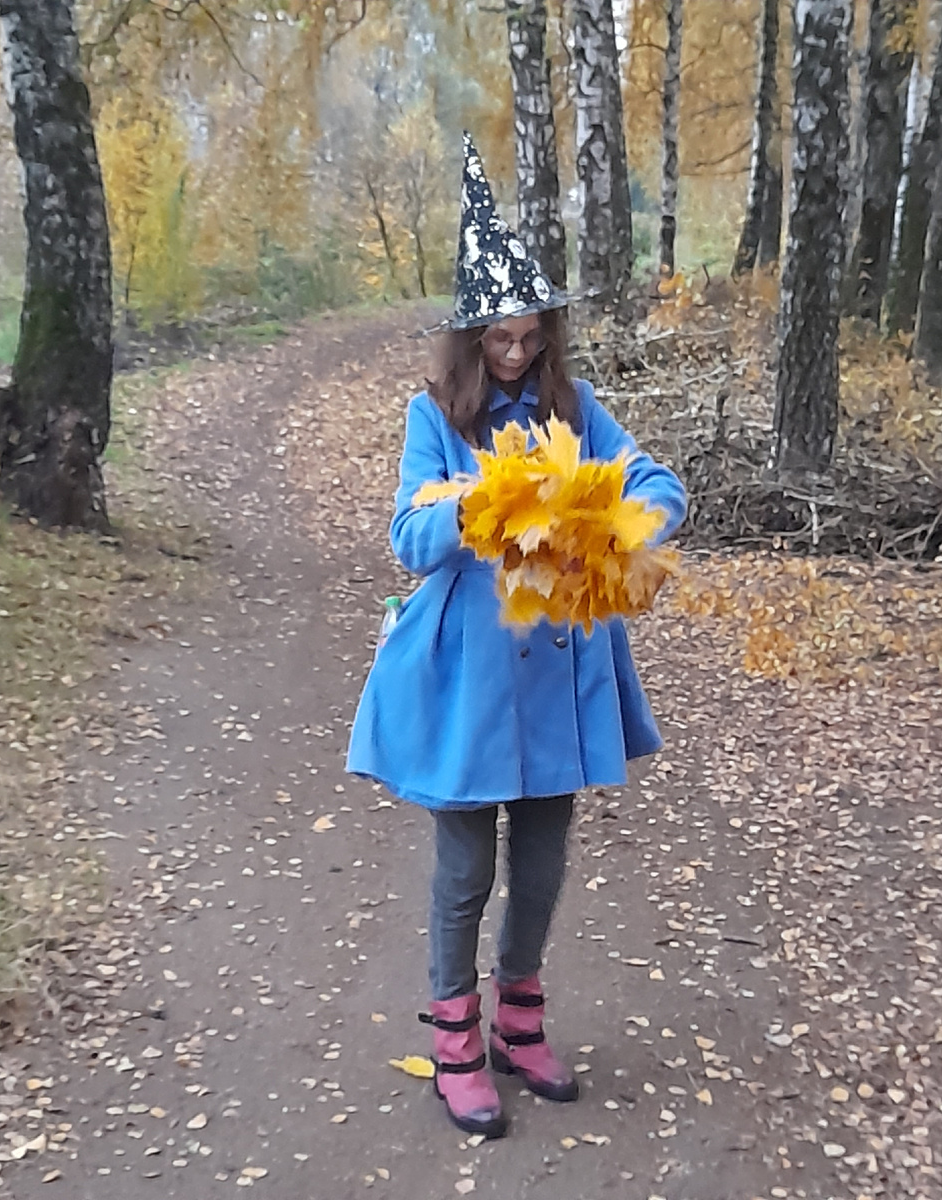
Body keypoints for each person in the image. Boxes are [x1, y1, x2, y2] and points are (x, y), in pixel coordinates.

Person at [346, 134, 686, 1139]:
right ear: (470, 335)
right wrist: (482, 504)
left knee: (540, 866)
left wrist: (624, 524)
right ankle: (454, 1041)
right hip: (469, 677)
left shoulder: (572, 407)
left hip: (560, 676)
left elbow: (656, 482)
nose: (516, 351)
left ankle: (520, 1023)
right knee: (466, 870)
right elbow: (410, 537)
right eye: (499, 335)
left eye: (531, 335)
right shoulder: (434, 417)